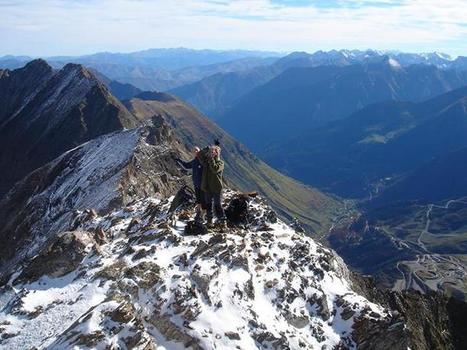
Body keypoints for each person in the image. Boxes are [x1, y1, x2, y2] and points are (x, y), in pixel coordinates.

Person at [198, 141, 226, 228]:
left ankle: (222, 222)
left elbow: (214, 169)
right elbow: (199, 155)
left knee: (218, 205)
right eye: (212, 152)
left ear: (218, 154)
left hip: (217, 188)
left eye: (215, 152)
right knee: (208, 205)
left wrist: (211, 159)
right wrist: (207, 149)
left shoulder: (220, 163)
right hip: (207, 188)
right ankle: (209, 222)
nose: (213, 153)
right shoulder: (206, 162)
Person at [177, 146, 206, 222]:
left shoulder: (203, 160)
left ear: (199, 151)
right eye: (194, 151)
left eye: (196, 150)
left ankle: (203, 216)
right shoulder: (194, 161)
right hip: (196, 184)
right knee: (199, 200)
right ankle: (198, 214)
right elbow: (186, 166)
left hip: (203, 185)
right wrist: (178, 160)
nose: (195, 152)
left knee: (203, 200)